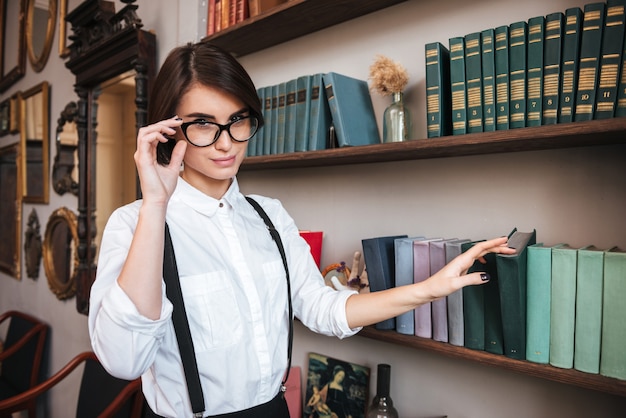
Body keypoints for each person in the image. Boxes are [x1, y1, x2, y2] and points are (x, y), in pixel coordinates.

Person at [88, 41, 515, 418]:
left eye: (238, 120)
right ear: (169, 130)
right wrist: (157, 204)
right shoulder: (134, 224)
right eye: (202, 123)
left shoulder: (270, 216)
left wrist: (429, 288)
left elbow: (323, 308)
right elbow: (124, 360)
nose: (226, 142)